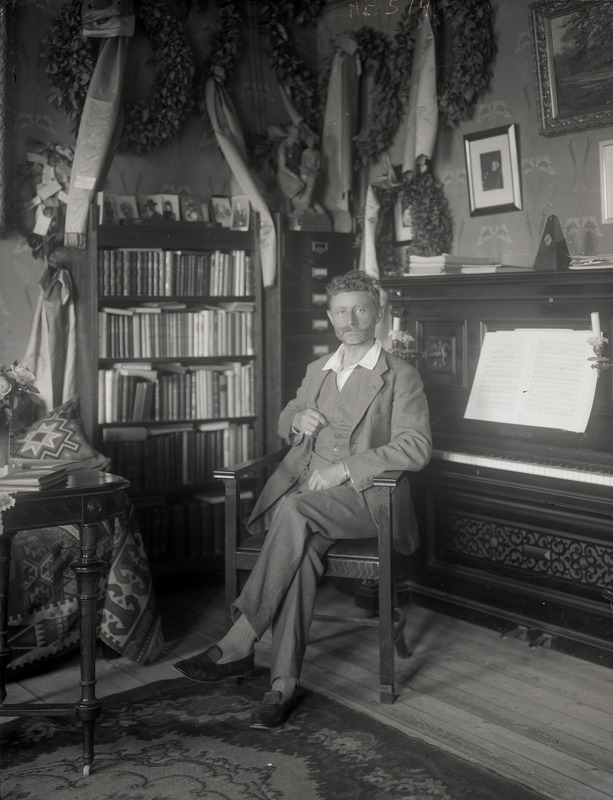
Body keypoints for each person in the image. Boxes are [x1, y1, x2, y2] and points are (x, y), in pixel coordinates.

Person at [174, 270, 432, 729]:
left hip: (368, 500)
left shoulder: (400, 375)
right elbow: (289, 415)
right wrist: (297, 422)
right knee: (302, 555)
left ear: (377, 313)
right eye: (340, 312)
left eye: (360, 310)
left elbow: (415, 446)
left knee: (293, 509)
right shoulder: (318, 369)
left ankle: (240, 637)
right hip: (313, 499)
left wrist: (344, 469)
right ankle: (282, 686)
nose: (350, 320)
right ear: (330, 318)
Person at [276, 124, 304, 208]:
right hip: (285, 174)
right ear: (290, 134)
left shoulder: (297, 146)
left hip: (295, 170)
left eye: (298, 134)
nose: (297, 136)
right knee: (300, 184)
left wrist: (302, 168)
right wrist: (294, 176)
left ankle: (304, 204)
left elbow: (298, 162)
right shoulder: (283, 147)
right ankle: (290, 204)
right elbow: (282, 167)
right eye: (294, 133)